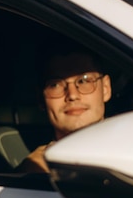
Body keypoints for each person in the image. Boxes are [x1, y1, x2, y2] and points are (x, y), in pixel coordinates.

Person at [17, 37, 112, 173]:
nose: (72, 95)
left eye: (84, 81)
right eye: (55, 85)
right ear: (41, 98)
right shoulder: (38, 169)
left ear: (105, 88)